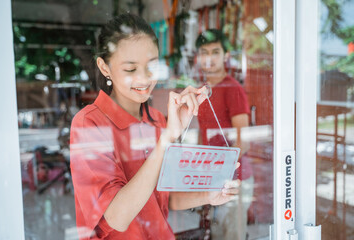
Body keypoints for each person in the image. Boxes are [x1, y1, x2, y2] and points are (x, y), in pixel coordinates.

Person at [70, 14, 241, 240]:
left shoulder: (157, 120)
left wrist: (210, 195)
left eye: (152, 66)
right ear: (104, 67)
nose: (144, 78)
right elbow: (117, 217)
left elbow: (163, 197)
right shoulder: (89, 124)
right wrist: (166, 139)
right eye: (130, 69)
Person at [195, 29, 254, 240]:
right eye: (204, 52)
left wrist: (219, 171)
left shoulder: (233, 88)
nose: (209, 57)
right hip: (213, 179)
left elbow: (243, 141)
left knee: (232, 236)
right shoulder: (202, 91)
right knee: (216, 234)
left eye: (215, 51)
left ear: (226, 55)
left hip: (235, 178)